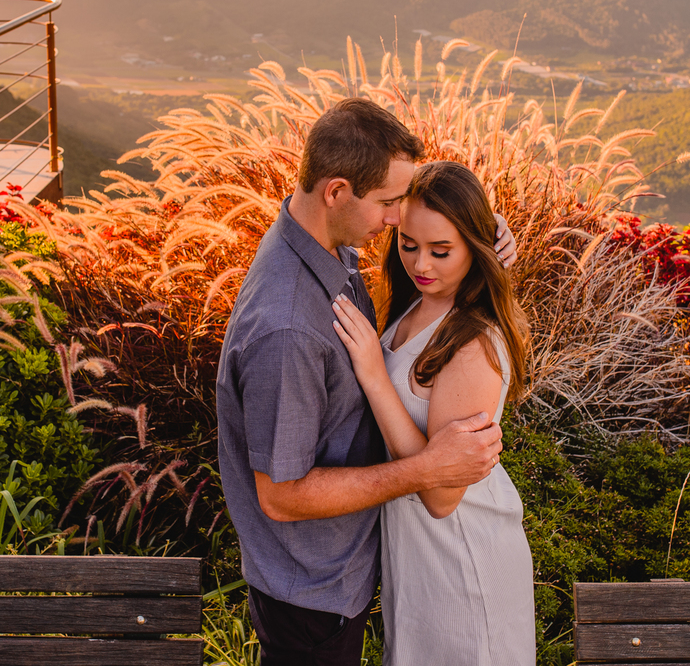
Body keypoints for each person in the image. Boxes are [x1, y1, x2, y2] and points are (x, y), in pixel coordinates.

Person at [216, 98, 516, 666]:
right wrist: (427, 467)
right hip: (311, 591)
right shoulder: (288, 328)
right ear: (336, 191)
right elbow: (281, 496)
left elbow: (443, 279)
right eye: (387, 204)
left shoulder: (323, 247)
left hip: (374, 570)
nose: (397, 219)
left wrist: (485, 238)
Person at [331, 160, 535, 665]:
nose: (422, 264)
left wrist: (375, 375)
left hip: (463, 557)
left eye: (442, 251)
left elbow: (442, 495)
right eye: (409, 245)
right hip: (418, 555)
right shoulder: (416, 305)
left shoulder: (473, 343)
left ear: (475, 249)